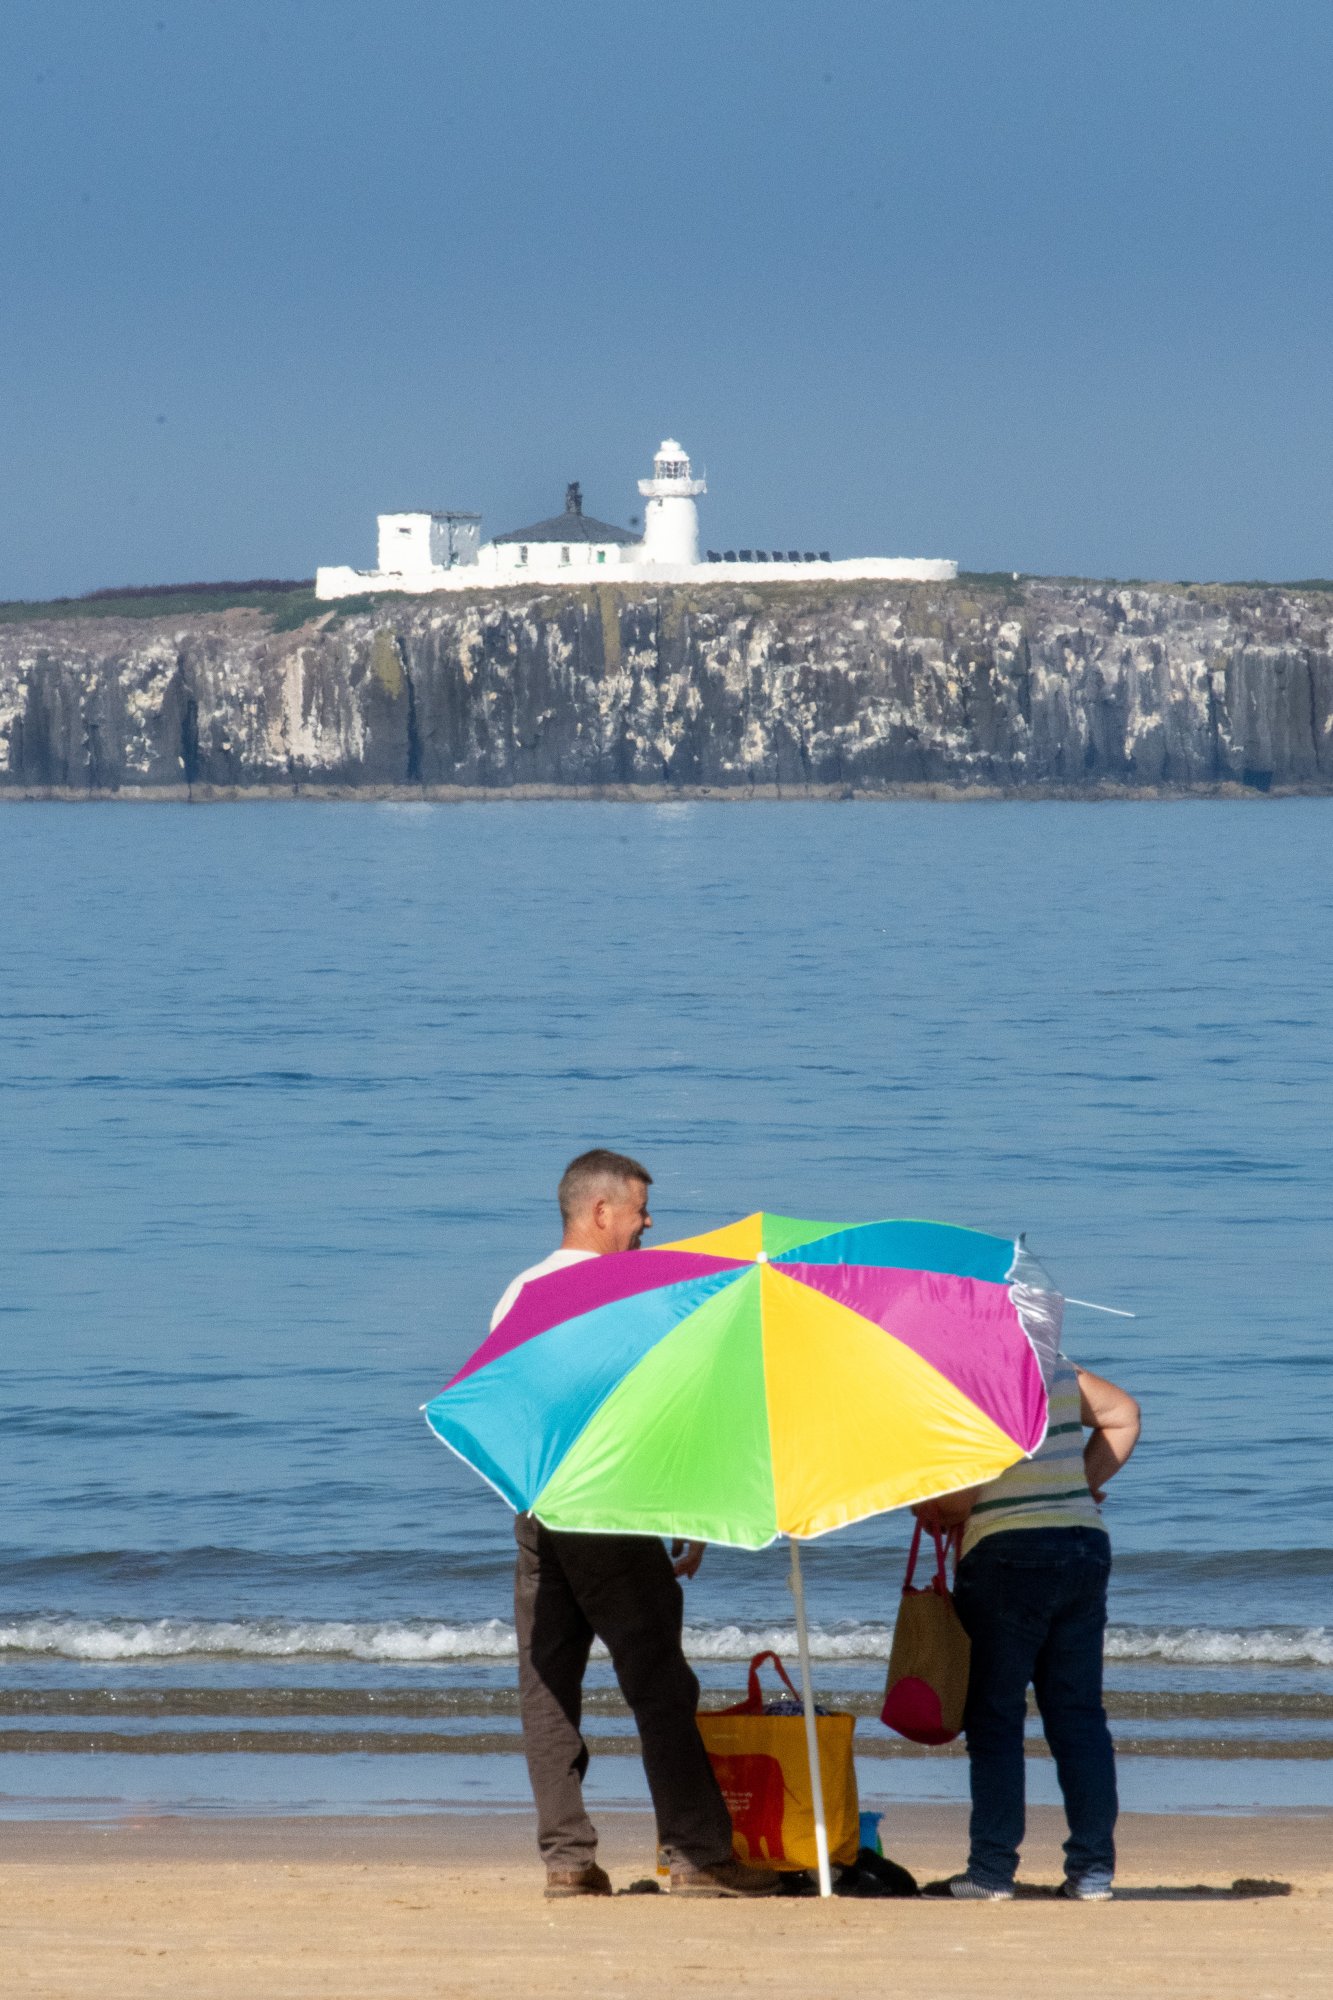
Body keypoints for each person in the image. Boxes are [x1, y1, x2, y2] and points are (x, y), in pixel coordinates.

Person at [499, 1148, 778, 1900]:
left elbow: (515, 1410)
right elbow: (657, 1411)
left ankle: (566, 1858)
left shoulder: (520, 1292)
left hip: (537, 1502)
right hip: (608, 1505)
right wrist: (686, 1503)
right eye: (639, 1209)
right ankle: (697, 1853)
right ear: (600, 1211)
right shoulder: (623, 1291)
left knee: (547, 1681)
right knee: (659, 1681)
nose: (648, 1223)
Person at [916, 1336, 1141, 1903]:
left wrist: (927, 1504)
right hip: (1084, 1543)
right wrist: (1081, 1484)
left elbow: (959, 1501)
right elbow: (1122, 1414)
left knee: (995, 1719)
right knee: (1079, 1717)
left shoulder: (966, 1366)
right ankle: (1092, 1873)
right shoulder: (1050, 1360)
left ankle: (991, 1872)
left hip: (1007, 1554)